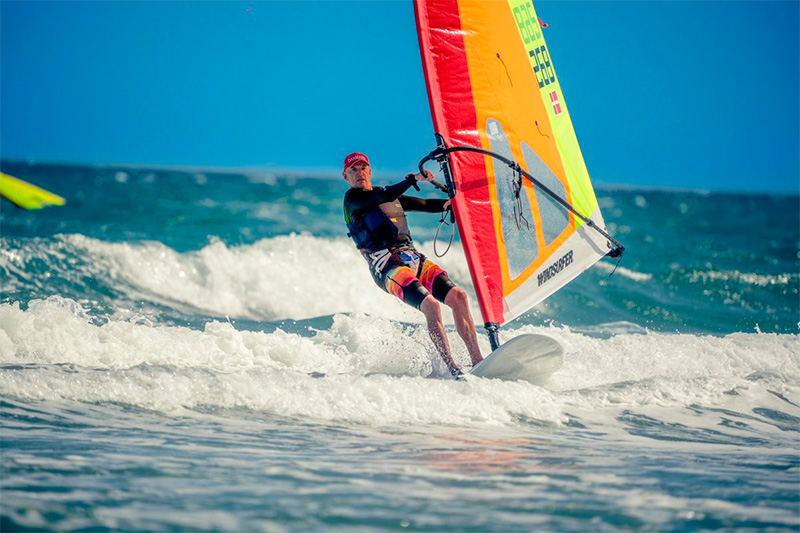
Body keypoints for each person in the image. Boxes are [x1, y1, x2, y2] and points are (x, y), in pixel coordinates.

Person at [341, 152, 483, 378]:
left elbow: (425, 204)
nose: (359, 174)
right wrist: (414, 179)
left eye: (363, 168)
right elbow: (386, 194)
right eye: (353, 170)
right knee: (431, 305)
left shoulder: (385, 196)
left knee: (459, 297)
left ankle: (479, 362)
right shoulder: (353, 200)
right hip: (386, 266)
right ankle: (452, 369)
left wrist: (451, 205)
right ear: (345, 176)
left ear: (370, 171)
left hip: (412, 257)